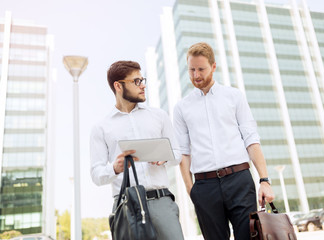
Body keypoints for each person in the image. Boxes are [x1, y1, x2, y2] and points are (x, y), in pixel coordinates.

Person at [173, 42, 275, 240]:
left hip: (239, 180)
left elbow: (251, 140)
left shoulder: (234, 96)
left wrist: (264, 180)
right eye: (191, 70)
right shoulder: (182, 108)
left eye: (201, 69)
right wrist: (190, 189)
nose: (196, 75)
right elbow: (183, 151)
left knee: (248, 237)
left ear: (213, 66)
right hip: (204, 186)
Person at [90, 60, 184, 240]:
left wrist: (164, 157)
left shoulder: (159, 116)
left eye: (142, 80)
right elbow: (96, 174)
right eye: (136, 81)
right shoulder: (101, 128)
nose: (143, 86)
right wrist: (115, 168)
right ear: (118, 86)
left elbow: (177, 153)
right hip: (127, 206)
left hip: (161, 202)